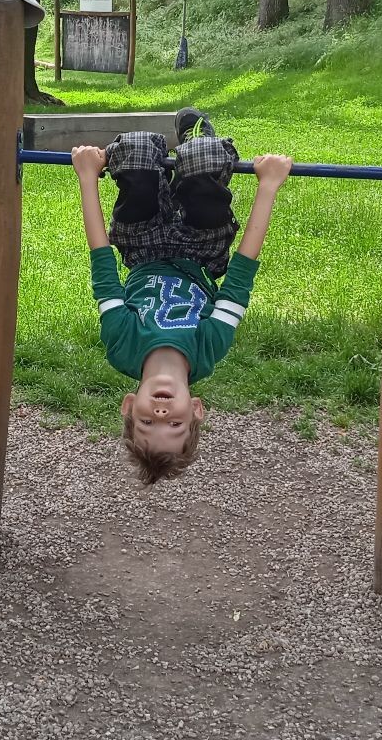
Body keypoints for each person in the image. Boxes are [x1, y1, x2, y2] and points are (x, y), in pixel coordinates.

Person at [72, 110, 292, 484]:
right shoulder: (208, 349)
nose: (160, 415)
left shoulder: (122, 346)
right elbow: (240, 276)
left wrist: (87, 177)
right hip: (202, 251)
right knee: (205, 167)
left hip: (142, 248)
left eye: (146, 422)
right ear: (196, 410)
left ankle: (163, 165)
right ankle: (195, 143)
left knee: (137, 155)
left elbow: (102, 266)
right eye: (175, 424)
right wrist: (268, 186)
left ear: (129, 405)